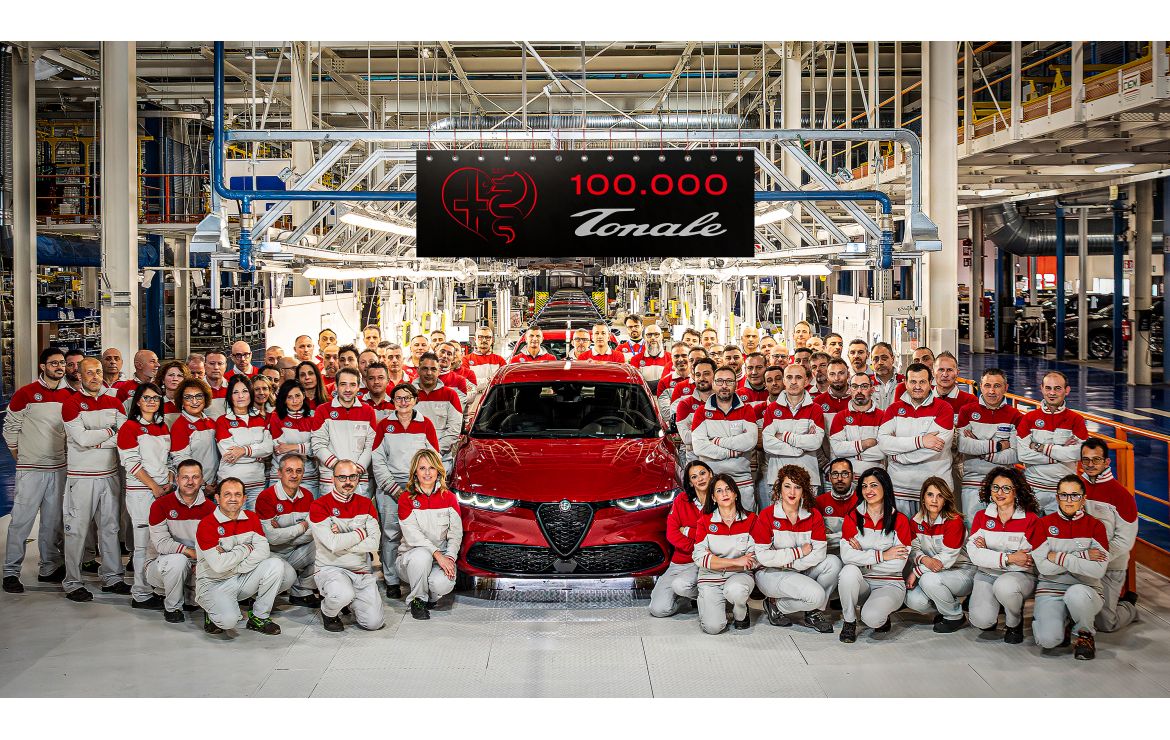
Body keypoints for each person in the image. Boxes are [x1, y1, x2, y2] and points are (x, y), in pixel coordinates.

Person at [2, 348, 72, 593]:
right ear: (43, 366)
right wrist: (20, 457)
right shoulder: (26, 394)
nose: (59, 367)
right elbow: (10, 428)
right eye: (54, 363)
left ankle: (49, 567)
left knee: (53, 522)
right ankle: (11, 571)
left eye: (62, 363)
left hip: (59, 468)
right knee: (21, 520)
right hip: (31, 469)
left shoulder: (68, 395)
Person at [60, 356, 128, 601]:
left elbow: (125, 437)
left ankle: (112, 577)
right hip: (81, 478)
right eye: (89, 372)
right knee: (77, 531)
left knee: (110, 528)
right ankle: (72, 582)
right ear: (79, 375)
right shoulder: (71, 404)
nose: (95, 376)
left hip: (109, 475)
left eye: (98, 371)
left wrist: (97, 437)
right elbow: (82, 439)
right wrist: (111, 432)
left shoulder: (115, 402)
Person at [1027, 475, 1108, 659]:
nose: (1069, 500)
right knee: (1048, 641)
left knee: (1076, 594)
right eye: (1063, 495)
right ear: (1057, 498)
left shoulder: (1096, 526)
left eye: (1074, 495)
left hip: (1086, 589)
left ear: (1083, 498)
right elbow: (1044, 568)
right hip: (1050, 587)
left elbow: (1098, 570)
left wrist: (1060, 557)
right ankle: (1062, 622)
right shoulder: (1043, 524)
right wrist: (1083, 556)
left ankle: (1084, 634)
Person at [195, 477, 289, 635]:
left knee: (275, 564)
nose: (233, 499)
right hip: (214, 583)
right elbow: (218, 566)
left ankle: (259, 617)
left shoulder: (251, 518)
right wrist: (246, 548)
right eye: (227, 494)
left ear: (244, 498)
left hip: (240, 576)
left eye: (238, 494)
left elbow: (263, 551)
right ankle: (211, 611)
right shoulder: (207, 524)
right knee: (228, 621)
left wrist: (236, 564)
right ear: (217, 497)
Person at [371, 383, 439, 598]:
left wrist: (419, 486)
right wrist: (393, 489)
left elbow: (433, 457)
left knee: (419, 532)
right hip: (390, 487)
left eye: (407, 397)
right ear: (393, 402)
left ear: (415, 400)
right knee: (390, 535)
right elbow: (377, 459)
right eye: (398, 398)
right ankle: (391, 580)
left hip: (416, 485)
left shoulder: (425, 424)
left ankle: (416, 576)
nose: (403, 402)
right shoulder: (384, 425)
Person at [752, 465, 838, 633]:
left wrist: (792, 564)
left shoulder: (813, 515)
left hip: (795, 568)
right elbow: (763, 556)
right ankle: (775, 604)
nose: (792, 492)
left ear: (804, 490)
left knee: (833, 562)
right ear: (779, 488)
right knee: (817, 595)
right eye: (787, 486)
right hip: (771, 573)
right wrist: (798, 553)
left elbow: (819, 552)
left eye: (797, 487)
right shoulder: (767, 515)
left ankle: (812, 611)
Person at [966, 466, 1042, 644]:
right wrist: (1009, 557)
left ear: (1016, 491)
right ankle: (994, 610)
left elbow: (1026, 560)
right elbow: (974, 555)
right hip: (986, 574)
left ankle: (1014, 622)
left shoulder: (1031, 519)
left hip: (1018, 576)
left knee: (1005, 587)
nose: (1000, 493)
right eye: (995, 487)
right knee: (981, 620)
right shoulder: (981, 516)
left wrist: (989, 553)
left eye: (1006, 488)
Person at [837, 467, 913, 643]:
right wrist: (883, 556)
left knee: (871, 618)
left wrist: (862, 556)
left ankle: (880, 613)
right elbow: (846, 556)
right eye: (864, 486)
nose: (868, 491)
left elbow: (898, 565)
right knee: (848, 571)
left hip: (890, 583)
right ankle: (849, 621)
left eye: (873, 485)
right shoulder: (852, 517)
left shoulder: (899, 520)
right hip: (862, 582)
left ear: (885, 487)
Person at [308, 460, 383, 632]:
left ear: (358, 479)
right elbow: (332, 543)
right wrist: (360, 533)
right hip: (330, 568)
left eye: (352, 477)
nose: (347, 482)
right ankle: (328, 612)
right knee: (342, 594)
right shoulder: (319, 506)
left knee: (374, 623)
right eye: (342, 477)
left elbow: (374, 542)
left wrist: (342, 539)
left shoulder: (365, 504)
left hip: (360, 571)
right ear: (332, 479)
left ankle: (348, 602)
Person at [117, 382, 173, 610]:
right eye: (147, 398)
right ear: (137, 401)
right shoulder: (129, 428)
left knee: (157, 544)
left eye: (156, 398)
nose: (152, 402)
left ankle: (153, 587)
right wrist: (154, 487)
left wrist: (169, 480)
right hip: (142, 493)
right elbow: (130, 463)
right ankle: (140, 593)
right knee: (141, 546)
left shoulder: (162, 427)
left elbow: (169, 459)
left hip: (162, 491)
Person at [877, 363, 954, 517]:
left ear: (930, 382)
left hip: (935, 491)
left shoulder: (944, 408)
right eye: (913, 382)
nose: (917, 386)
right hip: (899, 489)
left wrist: (897, 456)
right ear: (905, 383)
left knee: (935, 537)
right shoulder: (893, 409)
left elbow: (934, 448)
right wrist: (921, 441)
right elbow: (883, 443)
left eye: (922, 382)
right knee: (902, 538)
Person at [145, 459, 217, 622]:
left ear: (201, 479)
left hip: (196, 564)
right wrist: (191, 553)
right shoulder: (160, 505)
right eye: (185, 477)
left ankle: (189, 595)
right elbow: (161, 544)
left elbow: (213, 544)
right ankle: (172, 608)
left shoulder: (211, 509)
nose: (190, 482)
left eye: (195, 477)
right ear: (177, 479)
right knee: (178, 561)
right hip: (161, 564)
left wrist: (201, 563)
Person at [1079, 439, 1139, 633]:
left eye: (1096, 459)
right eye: (1085, 460)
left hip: (1110, 567)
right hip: (1081, 563)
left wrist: (1099, 558)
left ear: (1106, 462)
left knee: (1105, 624)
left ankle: (1128, 606)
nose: (1090, 465)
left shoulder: (1122, 496)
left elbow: (1125, 541)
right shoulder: (1075, 488)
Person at [397, 449, 462, 620]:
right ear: (415, 472)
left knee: (441, 583)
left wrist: (449, 558)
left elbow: (456, 534)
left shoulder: (449, 498)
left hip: (439, 559)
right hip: (411, 560)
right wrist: (437, 554)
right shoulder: (406, 499)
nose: (427, 473)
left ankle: (431, 597)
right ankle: (417, 600)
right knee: (421, 555)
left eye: (432, 468)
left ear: (438, 471)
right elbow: (414, 537)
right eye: (422, 468)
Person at [904, 477, 975, 633]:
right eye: (930, 495)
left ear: (945, 500)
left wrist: (917, 571)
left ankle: (955, 617)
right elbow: (914, 550)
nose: (934, 500)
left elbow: (945, 560)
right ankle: (945, 609)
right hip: (931, 570)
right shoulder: (915, 521)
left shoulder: (954, 521)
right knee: (913, 600)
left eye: (940, 496)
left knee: (928, 580)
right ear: (923, 498)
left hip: (961, 571)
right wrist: (924, 559)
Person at [691, 474, 758, 634]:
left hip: (739, 577)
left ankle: (741, 609)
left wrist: (715, 560)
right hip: (710, 579)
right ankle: (710, 604)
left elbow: (754, 558)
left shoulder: (752, 519)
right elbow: (699, 558)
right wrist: (736, 561)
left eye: (728, 489)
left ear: (735, 494)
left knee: (736, 591)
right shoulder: (705, 521)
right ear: (713, 498)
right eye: (719, 491)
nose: (725, 494)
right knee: (713, 628)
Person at [956, 368, 1022, 526]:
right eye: (987, 385)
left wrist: (980, 450)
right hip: (972, 481)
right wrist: (998, 446)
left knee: (1002, 530)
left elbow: (1015, 455)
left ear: (1006, 388)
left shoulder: (1015, 415)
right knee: (972, 530)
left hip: (1003, 484)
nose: (991, 391)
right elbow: (963, 445)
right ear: (980, 386)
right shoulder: (967, 411)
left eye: (997, 386)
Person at [1017, 371, 1088, 514]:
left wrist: (1039, 447)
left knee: (1060, 535)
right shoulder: (1029, 418)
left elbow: (1079, 453)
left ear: (1066, 390)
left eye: (1057, 388)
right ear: (1041, 388)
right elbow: (1022, 454)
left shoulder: (1076, 420)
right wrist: (1060, 453)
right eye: (1048, 388)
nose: (1052, 393)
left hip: (1063, 492)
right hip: (1032, 489)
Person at [255, 453, 320, 609]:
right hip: (272, 554)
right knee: (287, 575)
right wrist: (301, 527)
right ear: (279, 473)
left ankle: (301, 591)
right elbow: (271, 538)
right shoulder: (266, 497)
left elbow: (313, 532)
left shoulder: (308, 496)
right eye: (289, 471)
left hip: (294, 550)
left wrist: (285, 535)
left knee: (325, 549)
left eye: (299, 471)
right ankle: (257, 597)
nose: (294, 475)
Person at [649, 461, 711, 618]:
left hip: (707, 562)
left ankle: (713, 599)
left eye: (703, 473)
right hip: (680, 562)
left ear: (710, 473)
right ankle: (686, 599)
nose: (700, 479)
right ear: (690, 482)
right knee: (659, 609)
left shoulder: (719, 499)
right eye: (694, 477)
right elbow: (672, 533)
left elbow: (716, 535)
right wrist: (697, 544)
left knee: (682, 585)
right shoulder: (681, 500)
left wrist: (688, 531)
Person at [759, 363, 825, 511]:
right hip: (777, 479)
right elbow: (768, 444)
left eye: (798, 377)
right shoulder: (772, 409)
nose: (793, 382)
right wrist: (798, 448)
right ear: (784, 381)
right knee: (779, 525)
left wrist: (785, 436)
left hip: (809, 478)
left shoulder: (816, 409)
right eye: (789, 377)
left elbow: (815, 442)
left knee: (807, 523)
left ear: (807, 381)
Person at [691, 366, 759, 508]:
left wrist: (716, 441)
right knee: (715, 527)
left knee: (746, 525)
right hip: (712, 482)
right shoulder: (701, 412)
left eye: (729, 381)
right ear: (713, 383)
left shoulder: (747, 410)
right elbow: (699, 446)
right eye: (720, 381)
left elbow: (750, 441)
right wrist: (729, 452)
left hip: (742, 481)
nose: (724, 386)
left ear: (736, 384)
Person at [311, 367, 378, 497]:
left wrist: (357, 469)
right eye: (343, 384)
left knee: (360, 516)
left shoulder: (368, 411)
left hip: (359, 479)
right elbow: (318, 444)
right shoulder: (323, 410)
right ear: (335, 386)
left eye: (352, 384)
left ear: (359, 387)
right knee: (331, 516)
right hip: (330, 479)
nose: (348, 389)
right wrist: (339, 467)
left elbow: (371, 445)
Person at [215, 375, 274, 511]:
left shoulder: (261, 418)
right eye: (236, 392)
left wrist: (244, 451)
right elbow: (228, 454)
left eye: (245, 391)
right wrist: (257, 456)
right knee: (231, 526)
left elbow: (269, 448)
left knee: (255, 524)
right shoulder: (222, 421)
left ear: (251, 394)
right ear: (230, 396)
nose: (240, 396)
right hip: (231, 485)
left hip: (257, 483)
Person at [269, 380, 320, 497]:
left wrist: (294, 447)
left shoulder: (314, 416)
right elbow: (279, 449)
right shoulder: (275, 417)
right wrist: (305, 449)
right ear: (284, 399)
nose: (295, 401)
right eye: (289, 397)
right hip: (280, 476)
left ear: (304, 394)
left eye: (297, 395)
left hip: (309, 476)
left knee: (308, 513)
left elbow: (317, 447)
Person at [169, 378, 220, 493]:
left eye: (198, 396)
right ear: (181, 401)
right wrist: (202, 484)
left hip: (214, 485)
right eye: (188, 397)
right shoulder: (180, 426)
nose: (194, 401)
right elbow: (181, 460)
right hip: (194, 487)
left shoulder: (211, 422)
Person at [828, 372, 886, 473]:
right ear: (849, 390)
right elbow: (837, 449)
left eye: (864, 386)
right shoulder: (840, 417)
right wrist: (865, 444)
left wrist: (851, 454)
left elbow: (883, 451)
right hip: (848, 480)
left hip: (876, 478)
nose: (859, 391)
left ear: (872, 389)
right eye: (855, 386)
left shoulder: (883, 416)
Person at [414, 353, 463, 469]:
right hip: (411, 459)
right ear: (418, 370)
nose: (429, 373)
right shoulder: (407, 393)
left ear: (439, 371)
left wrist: (433, 452)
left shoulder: (450, 395)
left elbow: (454, 430)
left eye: (433, 369)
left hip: (441, 460)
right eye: (425, 368)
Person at [675, 358, 715, 465]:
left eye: (706, 374)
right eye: (698, 374)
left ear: (715, 375)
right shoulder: (684, 405)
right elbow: (686, 438)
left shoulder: (724, 401)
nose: (701, 378)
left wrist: (697, 433)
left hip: (722, 464)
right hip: (695, 466)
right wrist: (719, 433)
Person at [816, 458, 858, 555]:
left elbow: (863, 537)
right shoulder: (819, 502)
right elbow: (818, 539)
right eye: (835, 474)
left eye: (844, 474)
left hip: (855, 554)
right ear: (830, 477)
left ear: (853, 476)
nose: (839, 478)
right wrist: (849, 537)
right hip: (828, 555)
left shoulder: (862, 501)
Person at [656, 343, 691, 429]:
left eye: (684, 355)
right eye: (676, 356)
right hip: (674, 431)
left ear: (690, 357)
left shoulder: (699, 380)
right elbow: (666, 414)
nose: (680, 359)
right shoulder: (664, 382)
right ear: (672, 359)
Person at [932, 352, 976, 420]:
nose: (945, 374)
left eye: (949, 370)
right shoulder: (924, 400)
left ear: (957, 373)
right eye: (941, 370)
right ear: (933, 373)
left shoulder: (971, 401)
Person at [814, 357, 852, 433]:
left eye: (841, 373)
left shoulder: (857, 399)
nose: (836, 378)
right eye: (832, 374)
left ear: (848, 375)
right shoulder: (817, 402)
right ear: (827, 377)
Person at [631, 324, 671, 394]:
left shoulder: (671, 358)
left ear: (662, 336)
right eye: (649, 335)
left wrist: (646, 384)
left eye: (656, 334)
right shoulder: (635, 359)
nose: (653, 338)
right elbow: (635, 385)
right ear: (644, 337)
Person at [465, 327, 506, 392]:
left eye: (487, 337)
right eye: (480, 337)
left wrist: (479, 383)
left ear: (492, 340)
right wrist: (492, 380)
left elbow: (504, 382)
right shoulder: (465, 360)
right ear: (475, 339)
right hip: (473, 401)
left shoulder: (500, 360)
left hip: (494, 400)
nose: (484, 340)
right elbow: (467, 384)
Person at [434, 342, 472, 408]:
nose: (444, 356)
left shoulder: (459, 380)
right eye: (442, 352)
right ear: (435, 353)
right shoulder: (421, 376)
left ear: (453, 359)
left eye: (449, 354)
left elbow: (458, 408)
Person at [868, 342, 902, 410]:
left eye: (884, 358)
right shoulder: (866, 383)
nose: (880, 362)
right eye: (876, 359)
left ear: (893, 359)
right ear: (871, 361)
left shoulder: (904, 382)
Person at [204, 350, 229, 417]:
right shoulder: (197, 389)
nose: (216, 367)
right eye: (212, 363)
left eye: (220, 363)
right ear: (205, 366)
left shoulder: (232, 388)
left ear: (225, 366)